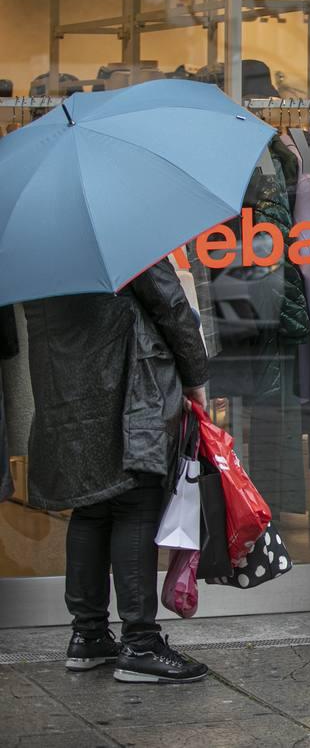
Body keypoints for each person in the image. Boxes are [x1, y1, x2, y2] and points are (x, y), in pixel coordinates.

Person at [24, 258, 211, 683]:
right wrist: (195, 376)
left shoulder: (30, 242)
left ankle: (88, 636)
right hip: (131, 386)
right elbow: (170, 304)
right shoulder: (118, 231)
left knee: (90, 508)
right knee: (136, 505)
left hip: (69, 397)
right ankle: (141, 644)